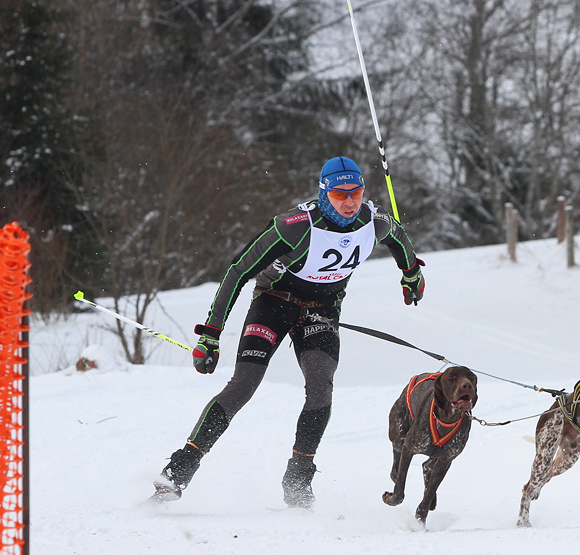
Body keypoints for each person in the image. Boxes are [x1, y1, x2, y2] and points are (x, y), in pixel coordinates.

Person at [153, 156, 425, 508]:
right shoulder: (294, 226)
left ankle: (298, 479)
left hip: (322, 310)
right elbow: (238, 271)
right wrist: (211, 335)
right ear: (324, 194)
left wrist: (412, 276)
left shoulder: (374, 222)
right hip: (274, 303)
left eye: (356, 193)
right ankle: (178, 470)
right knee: (244, 384)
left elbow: (400, 240)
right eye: (340, 194)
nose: (349, 202)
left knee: (321, 386)